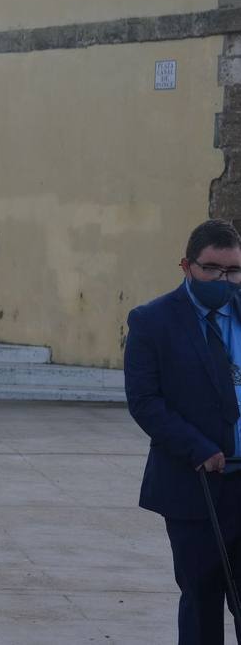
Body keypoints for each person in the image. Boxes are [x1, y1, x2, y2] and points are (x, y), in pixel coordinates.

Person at [125, 219, 241, 645]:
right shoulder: (152, 321)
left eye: (233, 270)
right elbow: (145, 401)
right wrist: (199, 448)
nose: (223, 279)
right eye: (212, 269)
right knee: (201, 597)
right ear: (186, 266)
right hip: (197, 486)